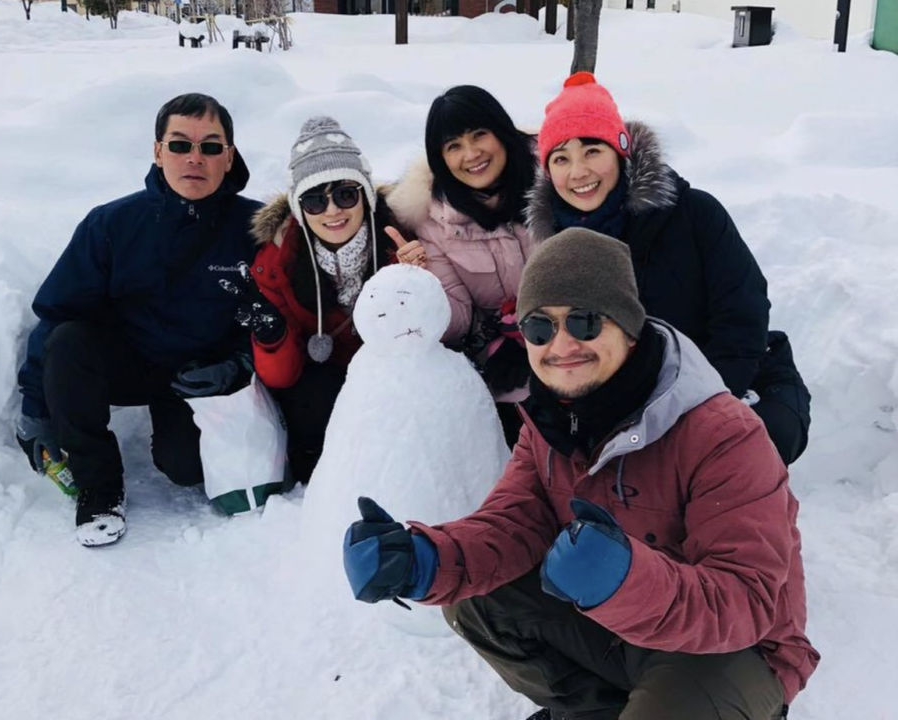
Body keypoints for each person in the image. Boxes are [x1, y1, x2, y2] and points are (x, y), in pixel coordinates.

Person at [341, 229, 819, 720]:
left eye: (586, 321)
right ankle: (595, 710)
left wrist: (624, 579)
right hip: (616, 618)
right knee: (477, 601)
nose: (562, 344)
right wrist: (425, 558)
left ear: (630, 327)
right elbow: (514, 525)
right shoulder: (552, 419)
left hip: (734, 651)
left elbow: (746, 602)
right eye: (540, 328)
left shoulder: (722, 433)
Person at [15, 93, 262, 547]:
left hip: (197, 377)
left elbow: (277, 316)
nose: (194, 158)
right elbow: (58, 312)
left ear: (228, 157)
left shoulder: (257, 227)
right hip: (127, 362)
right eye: (179, 145)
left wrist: (237, 364)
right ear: (156, 151)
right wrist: (35, 408)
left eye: (210, 147)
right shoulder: (111, 223)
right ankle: (99, 485)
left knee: (187, 469)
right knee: (70, 342)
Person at [526, 72, 810, 465]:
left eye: (592, 150)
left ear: (621, 151)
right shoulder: (553, 245)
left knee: (743, 449)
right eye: (561, 158)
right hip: (623, 390)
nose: (578, 172)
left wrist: (700, 407)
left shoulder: (694, 215)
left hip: (727, 376)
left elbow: (741, 317)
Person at [243, 116, 402, 485]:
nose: (332, 211)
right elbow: (283, 377)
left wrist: (416, 283)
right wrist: (271, 337)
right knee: (314, 393)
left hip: (386, 380)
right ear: (299, 209)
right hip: (322, 389)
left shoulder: (399, 244)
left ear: (366, 196)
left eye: (346, 194)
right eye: (315, 200)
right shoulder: (277, 262)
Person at [386, 85, 540, 446]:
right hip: (503, 368)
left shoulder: (552, 181)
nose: (471, 154)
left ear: (501, 131)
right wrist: (423, 287)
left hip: (572, 346)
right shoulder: (434, 223)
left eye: (479, 135)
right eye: (453, 146)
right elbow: (458, 321)